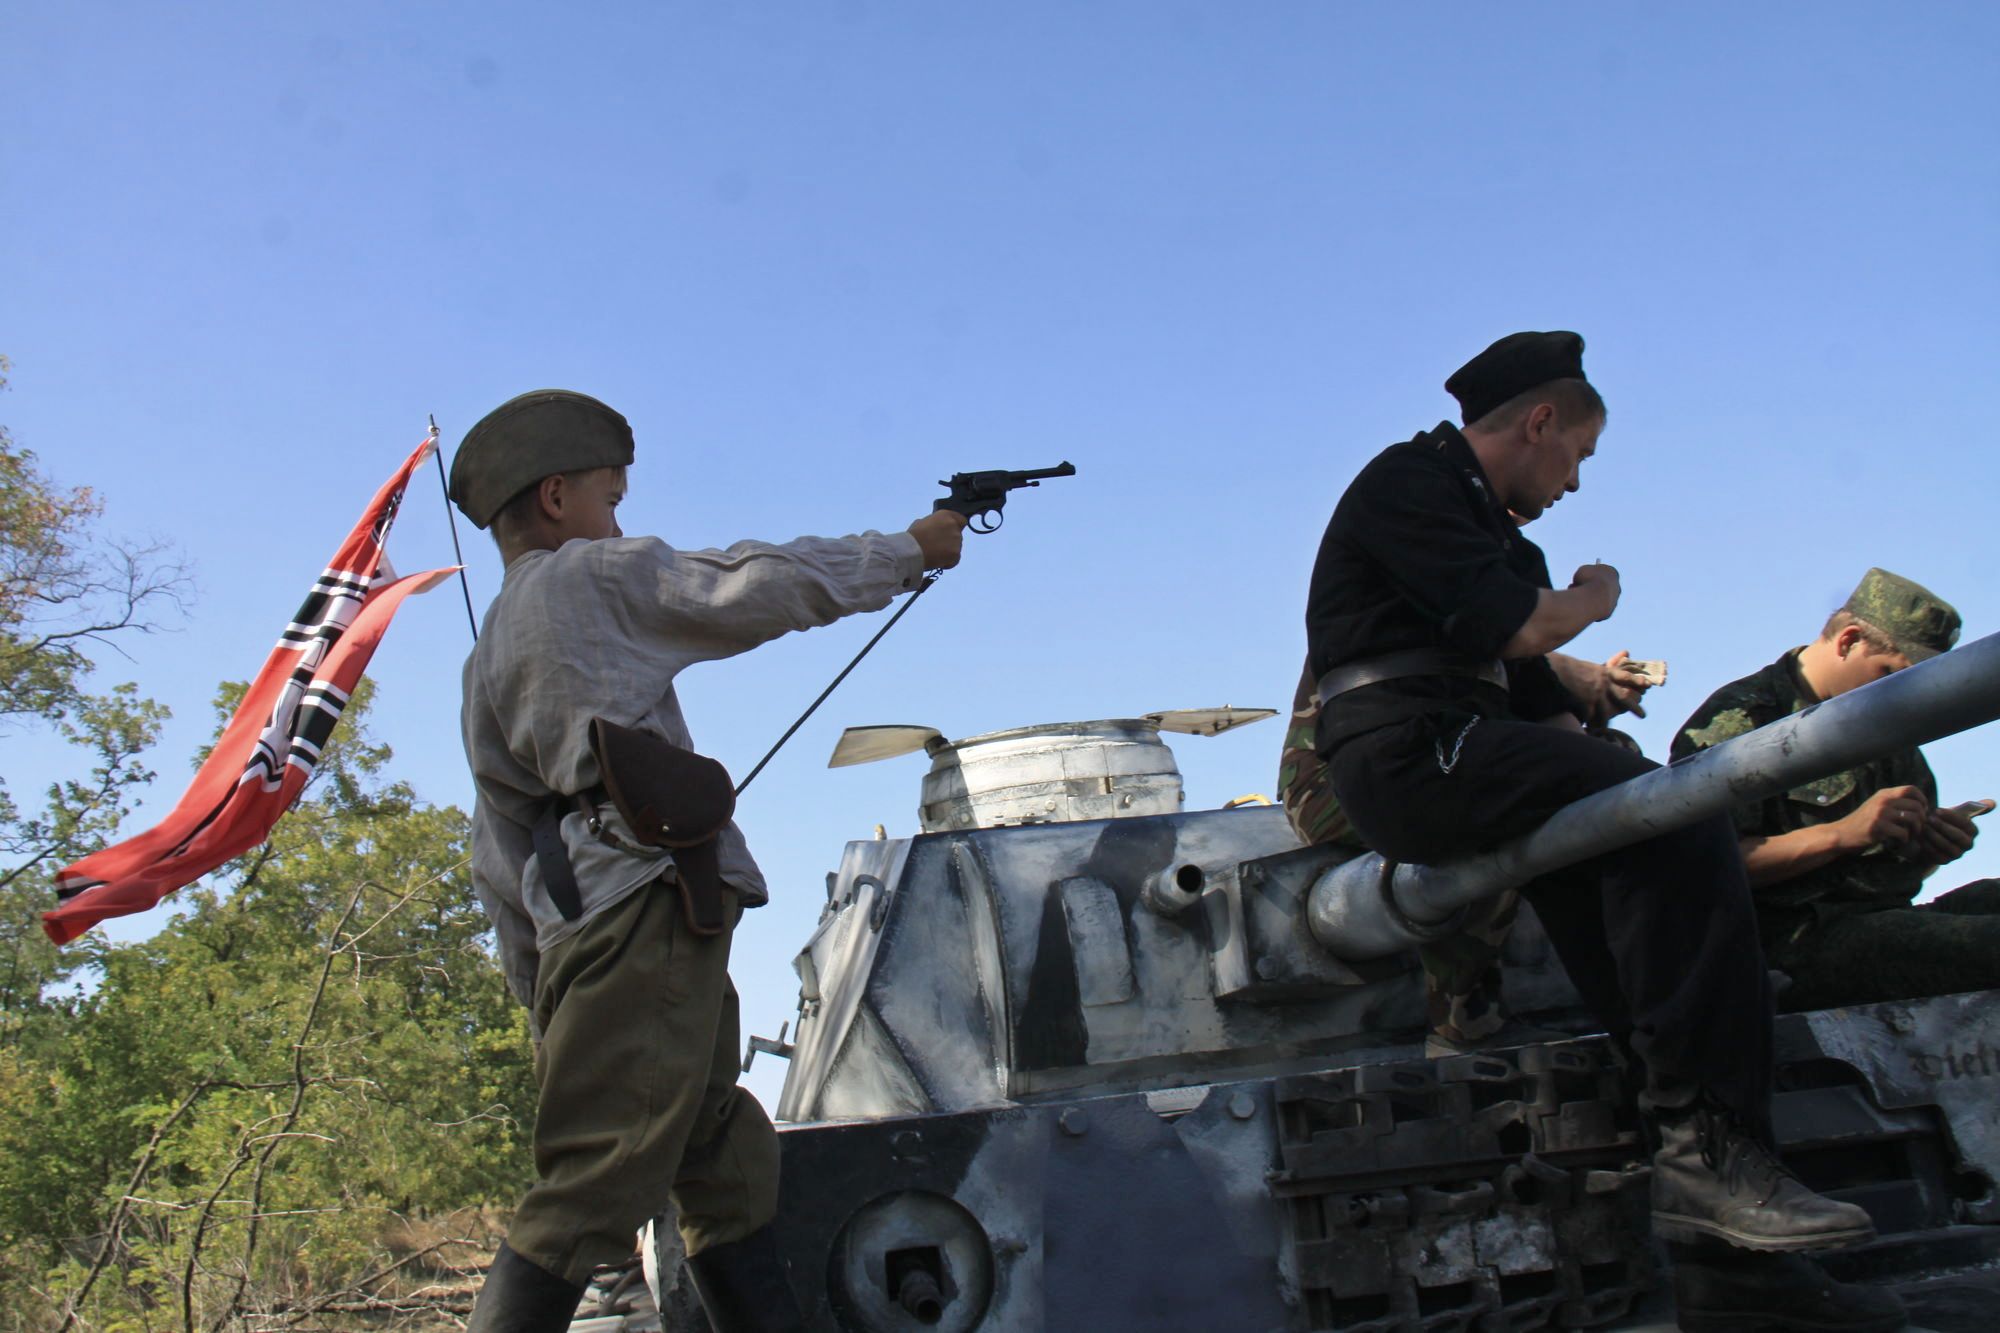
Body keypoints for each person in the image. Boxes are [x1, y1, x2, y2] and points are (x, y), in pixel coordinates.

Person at [1303, 333, 1903, 1331]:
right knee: (1675, 814)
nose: (1575, 481)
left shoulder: (1503, 541)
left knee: (1635, 874)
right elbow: (1516, 629)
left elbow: (1548, 720)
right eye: (1577, 455)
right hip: (1406, 754)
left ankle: (1723, 1245)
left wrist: (1626, 793)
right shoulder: (1410, 483)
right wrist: (1595, 599)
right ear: (1540, 422)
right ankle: (1709, 1156)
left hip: (1477, 747)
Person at [448, 389, 967, 1332]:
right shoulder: (585, 577)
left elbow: (500, 853)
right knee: (595, 1178)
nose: (621, 523)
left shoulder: (486, 656)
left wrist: (541, 989)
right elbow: (745, 583)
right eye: (611, 498)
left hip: (592, 925)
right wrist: (907, 550)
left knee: (718, 1155)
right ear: (556, 497)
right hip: (644, 907)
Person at [1278, 644, 1659, 1056]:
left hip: (1424, 760)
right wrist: (1585, 675)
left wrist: (1588, 697)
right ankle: (1465, 1020)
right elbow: (1491, 642)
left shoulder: (1503, 640)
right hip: (1338, 783)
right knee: (1485, 813)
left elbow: (1549, 714)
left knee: (1613, 756)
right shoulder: (1417, 611)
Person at [1672, 569, 1997, 1010]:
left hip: (1881, 922)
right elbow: (1699, 869)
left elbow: (1888, 875)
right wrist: (1843, 834)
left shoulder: (1891, 725)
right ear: (1848, 641)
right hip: (1786, 945)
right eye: (1892, 674)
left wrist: (1927, 850)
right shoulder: (1744, 721)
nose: (1906, 695)